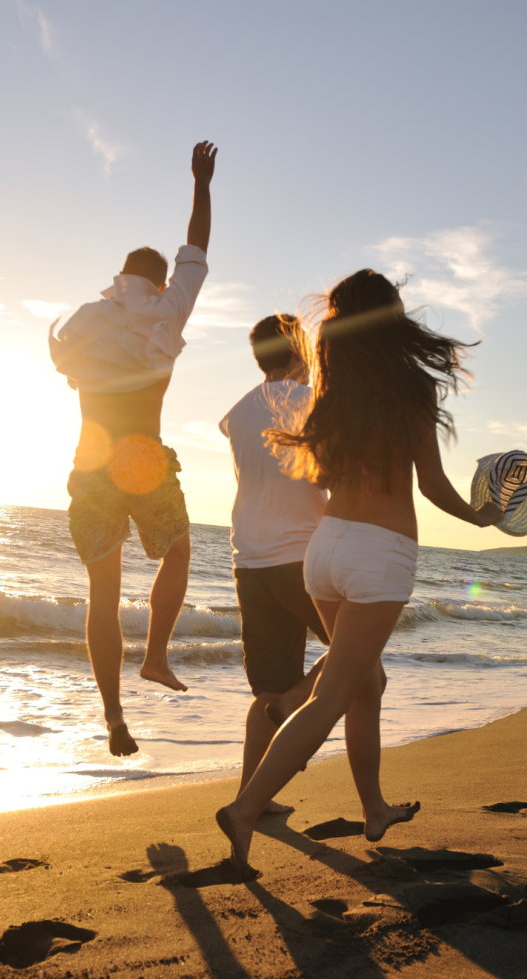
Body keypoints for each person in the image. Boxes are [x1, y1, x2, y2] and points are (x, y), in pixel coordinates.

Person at [215, 270, 503, 873]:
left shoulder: (328, 389)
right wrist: (481, 519)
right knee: (331, 695)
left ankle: (373, 809)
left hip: (325, 550)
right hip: (379, 553)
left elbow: (319, 477)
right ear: (393, 318)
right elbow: (431, 484)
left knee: (365, 685)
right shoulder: (412, 389)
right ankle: (244, 808)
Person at [49, 141, 217, 756]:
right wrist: (201, 183)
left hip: (91, 462)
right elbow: (196, 249)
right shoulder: (168, 310)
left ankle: (114, 715)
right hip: (142, 459)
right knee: (177, 553)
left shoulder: (90, 318)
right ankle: (154, 656)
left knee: (102, 596)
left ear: (120, 274)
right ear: (160, 279)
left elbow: (67, 368)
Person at [219, 315, 329, 812]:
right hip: (301, 556)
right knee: (358, 655)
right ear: (299, 351)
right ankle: (292, 704)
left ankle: (251, 797)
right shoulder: (310, 403)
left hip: (250, 560)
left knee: (266, 685)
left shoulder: (237, 411)